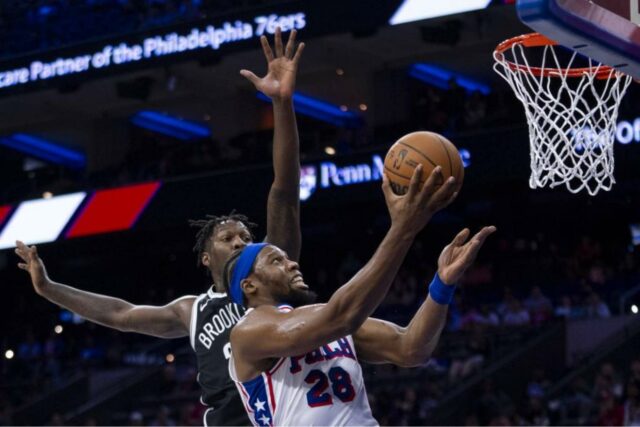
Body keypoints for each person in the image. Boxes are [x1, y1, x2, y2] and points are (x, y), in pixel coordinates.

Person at [14, 28, 305, 426]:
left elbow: (285, 190)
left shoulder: (269, 278)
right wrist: (49, 289)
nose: (241, 242)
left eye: (246, 238)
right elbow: (119, 314)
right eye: (228, 237)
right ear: (207, 258)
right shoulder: (193, 310)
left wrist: (281, 104)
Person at [225, 166, 495, 426]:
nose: (292, 264)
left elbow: (411, 348)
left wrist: (442, 285)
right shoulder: (247, 332)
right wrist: (403, 229)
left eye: (288, 259)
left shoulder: (323, 318)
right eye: (276, 261)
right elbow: (342, 316)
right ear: (249, 286)